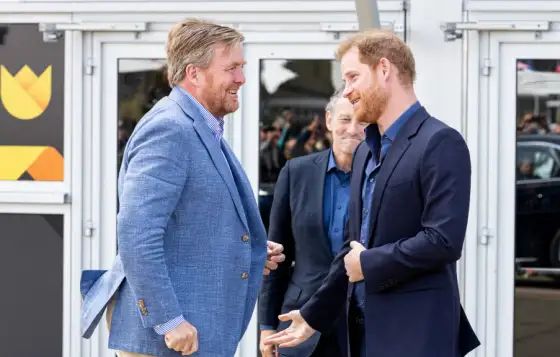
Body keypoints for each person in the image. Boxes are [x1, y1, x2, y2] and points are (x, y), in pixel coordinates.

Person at [263, 29, 481, 357]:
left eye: (353, 77)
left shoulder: (440, 142)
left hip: (415, 334)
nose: (347, 91)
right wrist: (313, 316)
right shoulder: (366, 151)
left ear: (384, 70)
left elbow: (443, 240)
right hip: (362, 335)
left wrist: (369, 262)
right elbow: (352, 249)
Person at [79, 18, 285, 357]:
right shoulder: (170, 129)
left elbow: (188, 226)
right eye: (231, 68)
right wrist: (168, 320)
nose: (242, 78)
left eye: (242, 67)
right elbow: (136, 234)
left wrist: (245, 250)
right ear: (194, 73)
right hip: (169, 340)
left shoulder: (200, 126)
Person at [258, 88, 365, 357]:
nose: (352, 129)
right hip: (298, 321)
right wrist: (267, 325)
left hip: (361, 323)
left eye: (362, 121)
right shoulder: (296, 172)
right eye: (344, 119)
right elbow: (277, 254)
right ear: (328, 121)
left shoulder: (382, 177)